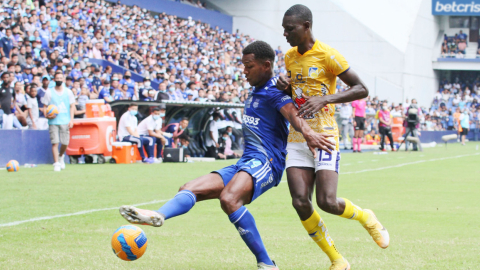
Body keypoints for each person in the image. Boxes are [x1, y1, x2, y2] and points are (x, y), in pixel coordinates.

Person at [118, 41, 334, 270]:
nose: (244, 71)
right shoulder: (257, 88)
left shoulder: (273, 90)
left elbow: (292, 115)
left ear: (265, 65)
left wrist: (309, 134)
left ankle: (266, 263)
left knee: (229, 199)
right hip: (246, 162)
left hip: (267, 162)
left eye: (248, 66)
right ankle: (158, 215)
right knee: (189, 188)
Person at [277, 5, 388, 270]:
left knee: (326, 202)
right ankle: (337, 259)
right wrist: (287, 87)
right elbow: (298, 92)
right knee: (299, 201)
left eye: (289, 29)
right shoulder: (289, 56)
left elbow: (361, 89)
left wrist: (326, 98)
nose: (285, 34)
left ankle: (366, 217)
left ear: (306, 26)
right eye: (283, 28)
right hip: (298, 135)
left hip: (325, 135)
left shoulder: (329, 55)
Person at [42, 71, 75, 172]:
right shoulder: (49, 92)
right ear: (54, 79)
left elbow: (72, 106)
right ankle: (56, 163)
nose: (59, 80)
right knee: (55, 142)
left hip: (65, 120)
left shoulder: (68, 92)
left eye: (61, 78)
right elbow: (44, 106)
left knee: (65, 142)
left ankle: (61, 156)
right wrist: (46, 115)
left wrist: (71, 119)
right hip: (53, 121)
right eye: (57, 78)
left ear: (63, 80)